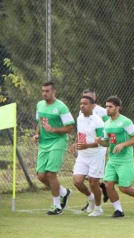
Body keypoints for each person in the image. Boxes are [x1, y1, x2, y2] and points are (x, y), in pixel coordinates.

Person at [96, 96, 134, 218]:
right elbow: (107, 142)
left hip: (125, 159)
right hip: (112, 159)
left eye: (110, 107)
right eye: (106, 106)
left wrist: (123, 144)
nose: (107, 109)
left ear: (117, 108)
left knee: (124, 187)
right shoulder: (107, 124)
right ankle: (118, 210)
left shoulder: (126, 122)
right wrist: (100, 141)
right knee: (108, 185)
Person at [33, 81, 75, 215]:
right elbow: (39, 123)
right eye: (43, 91)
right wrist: (36, 134)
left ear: (54, 92)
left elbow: (70, 128)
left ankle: (56, 206)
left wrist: (54, 129)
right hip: (44, 144)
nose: (45, 93)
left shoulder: (61, 107)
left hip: (58, 141)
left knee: (51, 174)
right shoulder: (39, 105)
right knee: (41, 176)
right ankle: (64, 192)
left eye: (47, 91)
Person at [72, 96, 105, 216]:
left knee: (93, 183)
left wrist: (87, 146)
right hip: (82, 155)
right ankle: (90, 197)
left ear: (92, 106)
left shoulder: (98, 121)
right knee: (77, 181)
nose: (82, 106)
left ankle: (98, 209)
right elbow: (80, 133)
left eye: (85, 104)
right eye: (81, 103)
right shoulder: (79, 118)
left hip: (96, 155)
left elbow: (101, 142)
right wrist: (75, 143)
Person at [80, 88, 109, 210]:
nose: (83, 104)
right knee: (84, 176)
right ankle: (101, 187)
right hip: (84, 149)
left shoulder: (102, 112)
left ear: (94, 99)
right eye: (83, 99)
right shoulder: (81, 113)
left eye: (88, 98)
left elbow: (108, 125)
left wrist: (103, 141)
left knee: (92, 178)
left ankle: (93, 203)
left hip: (98, 147)